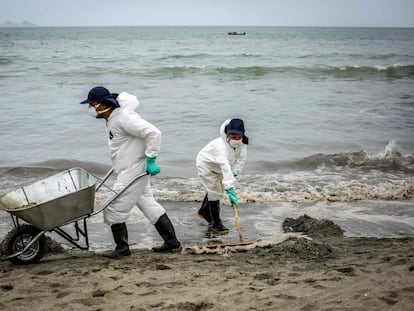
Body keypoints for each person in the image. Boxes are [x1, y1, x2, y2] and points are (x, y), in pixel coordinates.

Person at [80, 86, 181, 258]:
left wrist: (151, 159)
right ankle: (172, 242)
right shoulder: (112, 118)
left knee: (113, 207)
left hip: (134, 170)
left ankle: (122, 249)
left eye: (93, 104)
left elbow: (153, 132)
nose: (90, 108)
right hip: (129, 168)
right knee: (148, 204)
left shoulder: (123, 117)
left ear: (104, 104)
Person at [196, 118, 248, 233]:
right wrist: (230, 189)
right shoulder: (220, 147)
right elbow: (224, 166)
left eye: (239, 137)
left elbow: (241, 159)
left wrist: (235, 172)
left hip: (218, 166)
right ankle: (216, 223)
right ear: (228, 135)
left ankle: (204, 211)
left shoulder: (242, 144)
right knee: (215, 191)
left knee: (215, 188)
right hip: (206, 165)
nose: (236, 140)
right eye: (234, 137)